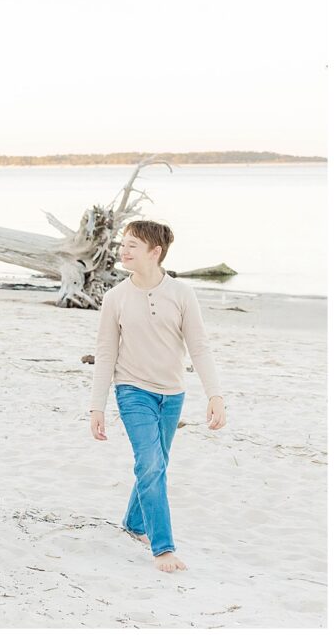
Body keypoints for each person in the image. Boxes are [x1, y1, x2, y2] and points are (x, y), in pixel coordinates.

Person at [89, 220, 227, 572]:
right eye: (124, 243)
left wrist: (215, 395)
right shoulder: (115, 297)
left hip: (172, 394)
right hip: (132, 390)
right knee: (150, 464)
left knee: (156, 464)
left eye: (133, 244)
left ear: (156, 252)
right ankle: (163, 547)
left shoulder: (182, 294)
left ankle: (135, 523)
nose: (124, 249)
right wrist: (97, 406)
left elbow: (199, 346)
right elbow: (105, 353)